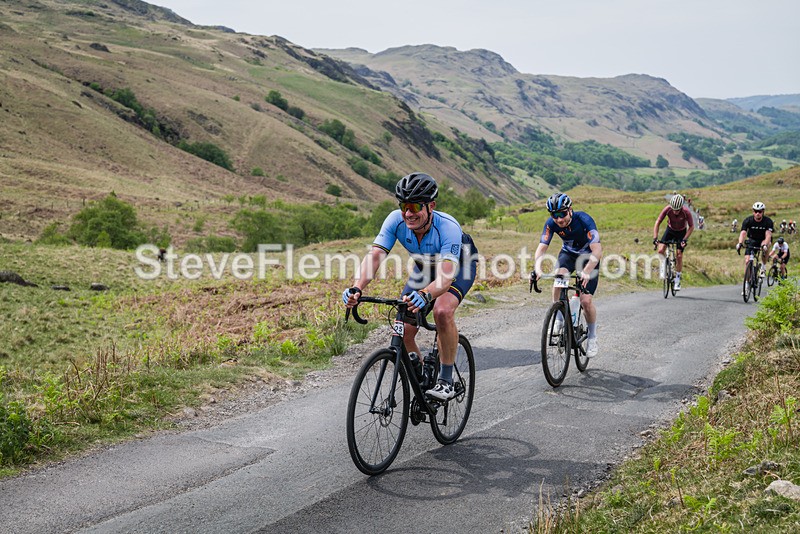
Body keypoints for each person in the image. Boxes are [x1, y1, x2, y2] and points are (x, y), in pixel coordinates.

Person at [342, 172, 477, 401]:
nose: (408, 213)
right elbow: (375, 256)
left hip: (458, 267)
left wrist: (425, 295)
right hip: (424, 267)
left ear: (431, 206)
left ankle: (446, 380)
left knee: (442, 311)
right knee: (402, 328)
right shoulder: (395, 220)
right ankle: (421, 377)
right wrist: (357, 287)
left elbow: (445, 278)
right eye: (404, 206)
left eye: (414, 206)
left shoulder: (448, 227)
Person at [533, 192, 603, 358]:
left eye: (562, 214)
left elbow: (597, 250)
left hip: (588, 257)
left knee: (586, 301)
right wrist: (537, 268)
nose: (559, 219)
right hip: (568, 254)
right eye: (554, 215)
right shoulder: (551, 224)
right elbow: (542, 247)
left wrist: (587, 272)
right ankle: (558, 318)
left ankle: (592, 337)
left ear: (570, 210)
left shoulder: (584, 220)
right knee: (559, 279)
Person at [653, 194, 694, 291]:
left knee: (679, 255)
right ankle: (663, 265)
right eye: (673, 209)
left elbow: (691, 227)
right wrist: (655, 238)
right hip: (670, 230)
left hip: (681, 232)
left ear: (681, 207)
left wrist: (685, 239)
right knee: (660, 251)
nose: (675, 212)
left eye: (677, 210)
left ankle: (677, 279)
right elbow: (658, 222)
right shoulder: (667, 209)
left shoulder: (686, 212)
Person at [736, 201, 774, 292]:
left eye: (760, 211)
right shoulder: (748, 220)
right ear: (753, 212)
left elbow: (768, 235)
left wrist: (764, 245)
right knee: (747, 261)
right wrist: (740, 243)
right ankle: (747, 283)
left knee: (766, 245)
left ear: (763, 212)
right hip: (752, 240)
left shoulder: (768, 221)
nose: (758, 213)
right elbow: (743, 233)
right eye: (756, 211)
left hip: (763, 240)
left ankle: (763, 267)